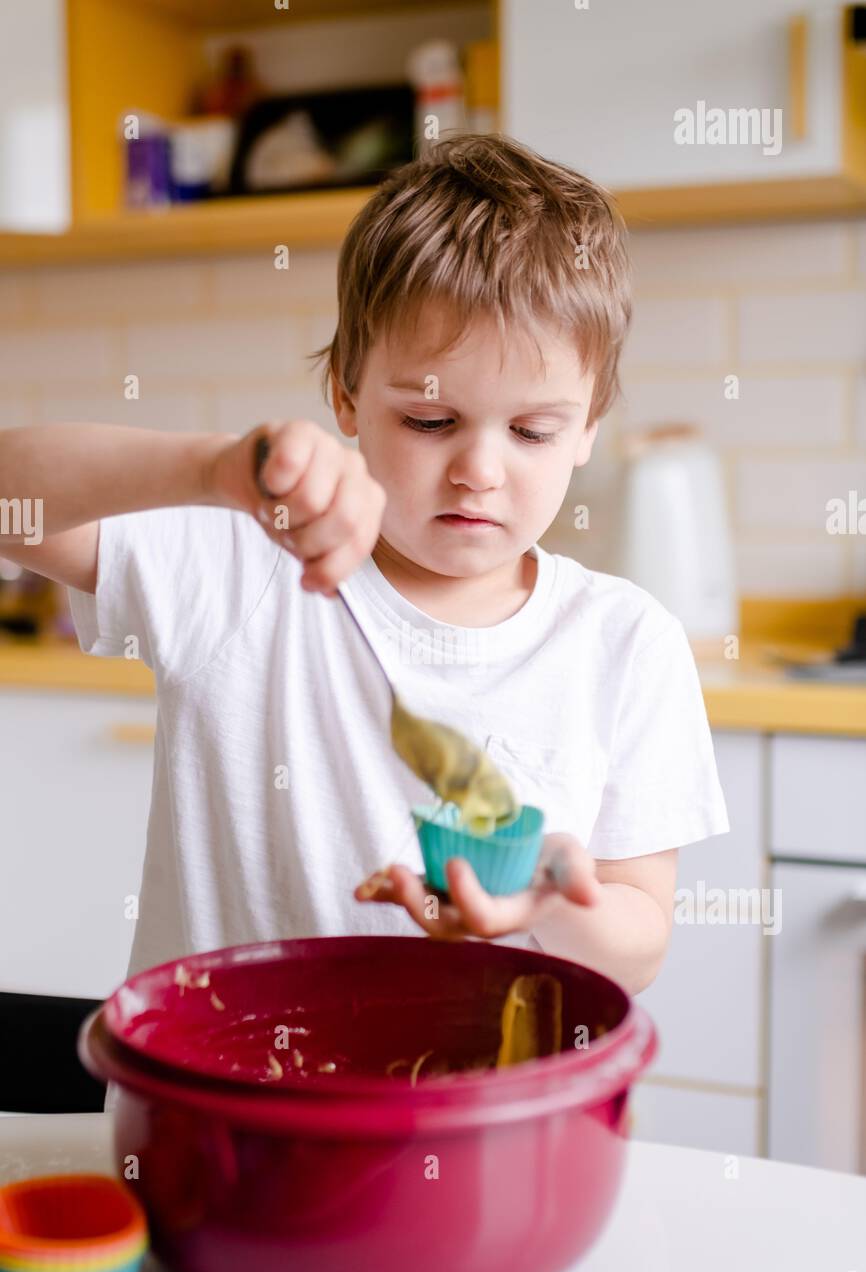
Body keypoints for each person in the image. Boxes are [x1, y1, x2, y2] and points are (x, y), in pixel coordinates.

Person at [0, 133, 728, 1000]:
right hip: (222, 1118)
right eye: (430, 421)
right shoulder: (248, 565)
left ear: (588, 427)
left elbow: (640, 943)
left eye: (532, 430)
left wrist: (547, 902)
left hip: (475, 1122)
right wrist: (212, 471)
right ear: (345, 390)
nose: (480, 471)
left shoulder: (625, 643)